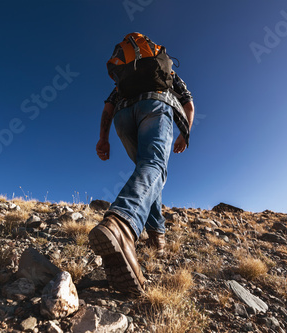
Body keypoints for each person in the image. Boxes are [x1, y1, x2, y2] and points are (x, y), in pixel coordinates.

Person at [89, 33, 195, 294]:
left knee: (147, 173)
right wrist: (185, 133)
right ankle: (122, 225)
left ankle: (157, 239)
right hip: (156, 105)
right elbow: (189, 105)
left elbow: (107, 109)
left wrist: (103, 139)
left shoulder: (124, 78)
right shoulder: (166, 71)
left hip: (123, 116)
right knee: (154, 167)